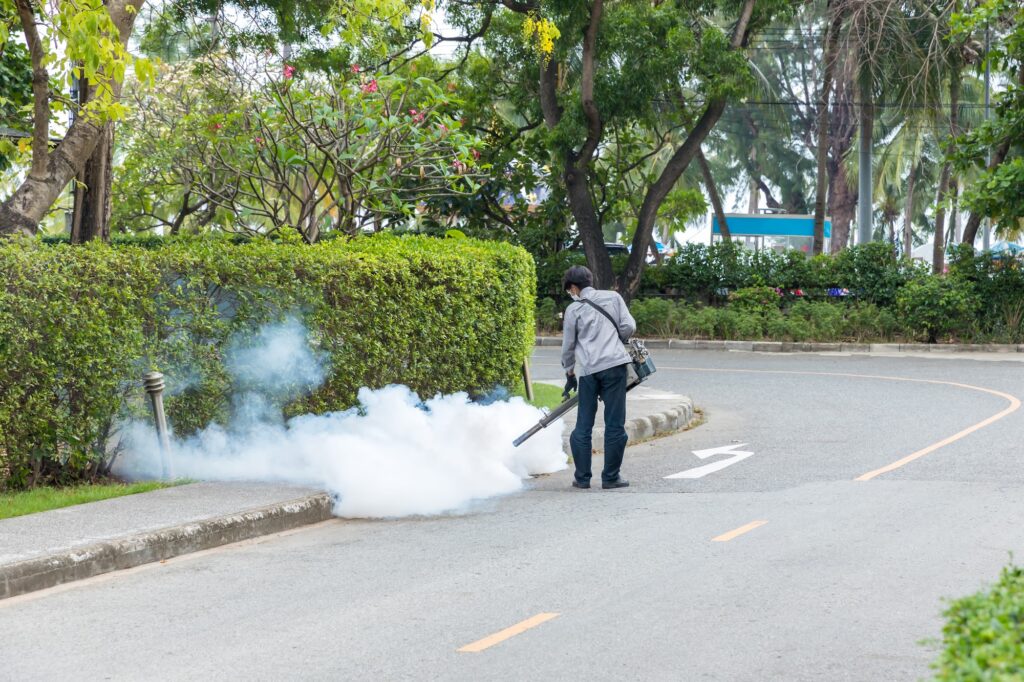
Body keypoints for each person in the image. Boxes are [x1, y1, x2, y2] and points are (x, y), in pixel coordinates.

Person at [560, 265, 636, 490]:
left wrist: (569, 369)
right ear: (590, 281)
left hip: (588, 371)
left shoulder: (574, 310)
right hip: (615, 366)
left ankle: (582, 479)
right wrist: (614, 339)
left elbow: (568, 346)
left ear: (574, 287)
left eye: (570, 290)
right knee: (614, 423)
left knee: (583, 424)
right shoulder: (614, 297)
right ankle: (611, 477)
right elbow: (628, 326)